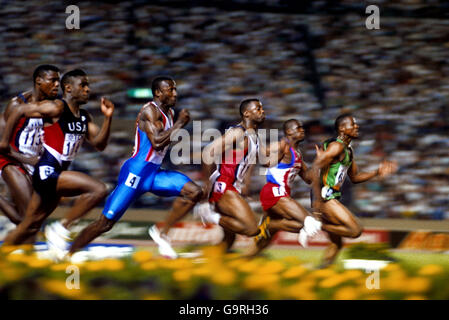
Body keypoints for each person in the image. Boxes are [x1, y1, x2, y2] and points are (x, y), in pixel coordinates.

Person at [68, 76, 203, 259]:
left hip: (153, 173)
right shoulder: (149, 111)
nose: (175, 94)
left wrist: (177, 123)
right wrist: (180, 124)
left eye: (175, 89)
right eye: (170, 89)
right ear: (158, 92)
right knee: (105, 223)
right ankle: (69, 253)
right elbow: (156, 143)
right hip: (136, 172)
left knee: (194, 192)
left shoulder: (169, 113)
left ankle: (161, 232)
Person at [0, 69, 113, 256]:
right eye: (83, 85)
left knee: (29, 225)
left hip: (46, 167)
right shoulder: (52, 108)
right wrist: (5, 144)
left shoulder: (82, 116)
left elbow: (100, 144)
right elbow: (18, 112)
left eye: (88, 85)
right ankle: (62, 228)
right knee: (98, 189)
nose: (88, 89)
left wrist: (108, 117)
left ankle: (6, 259)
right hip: (33, 166)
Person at [309, 113, 397, 267]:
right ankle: (312, 224)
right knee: (355, 230)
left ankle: (320, 270)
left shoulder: (348, 150)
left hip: (330, 197)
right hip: (324, 197)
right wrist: (317, 203)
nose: (356, 126)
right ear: (342, 128)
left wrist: (377, 172)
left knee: (337, 244)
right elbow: (315, 167)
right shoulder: (336, 146)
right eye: (352, 124)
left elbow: (355, 177)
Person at [195, 98, 266, 251]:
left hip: (234, 187)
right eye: (258, 108)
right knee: (251, 228)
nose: (263, 111)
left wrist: (245, 186)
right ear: (246, 113)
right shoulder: (237, 132)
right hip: (223, 185)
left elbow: (247, 164)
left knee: (228, 240)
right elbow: (208, 152)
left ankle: (204, 262)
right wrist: (206, 191)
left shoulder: (254, 136)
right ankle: (211, 216)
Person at [245, 119, 322, 257]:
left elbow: (309, 179)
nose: (302, 130)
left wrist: (318, 162)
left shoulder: (297, 154)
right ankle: (269, 225)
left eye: (302, 127)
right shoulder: (281, 145)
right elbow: (261, 156)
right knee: (309, 222)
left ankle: (245, 259)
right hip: (274, 192)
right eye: (298, 128)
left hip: (283, 194)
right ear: (288, 132)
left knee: (265, 242)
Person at [0, 65, 60, 233]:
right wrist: (29, 160)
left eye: (58, 81)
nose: (57, 84)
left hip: (35, 162)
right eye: (52, 80)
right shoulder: (17, 104)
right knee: (30, 218)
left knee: (26, 221)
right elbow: (3, 145)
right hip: (11, 159)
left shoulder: (54, 106)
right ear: (38, 81)